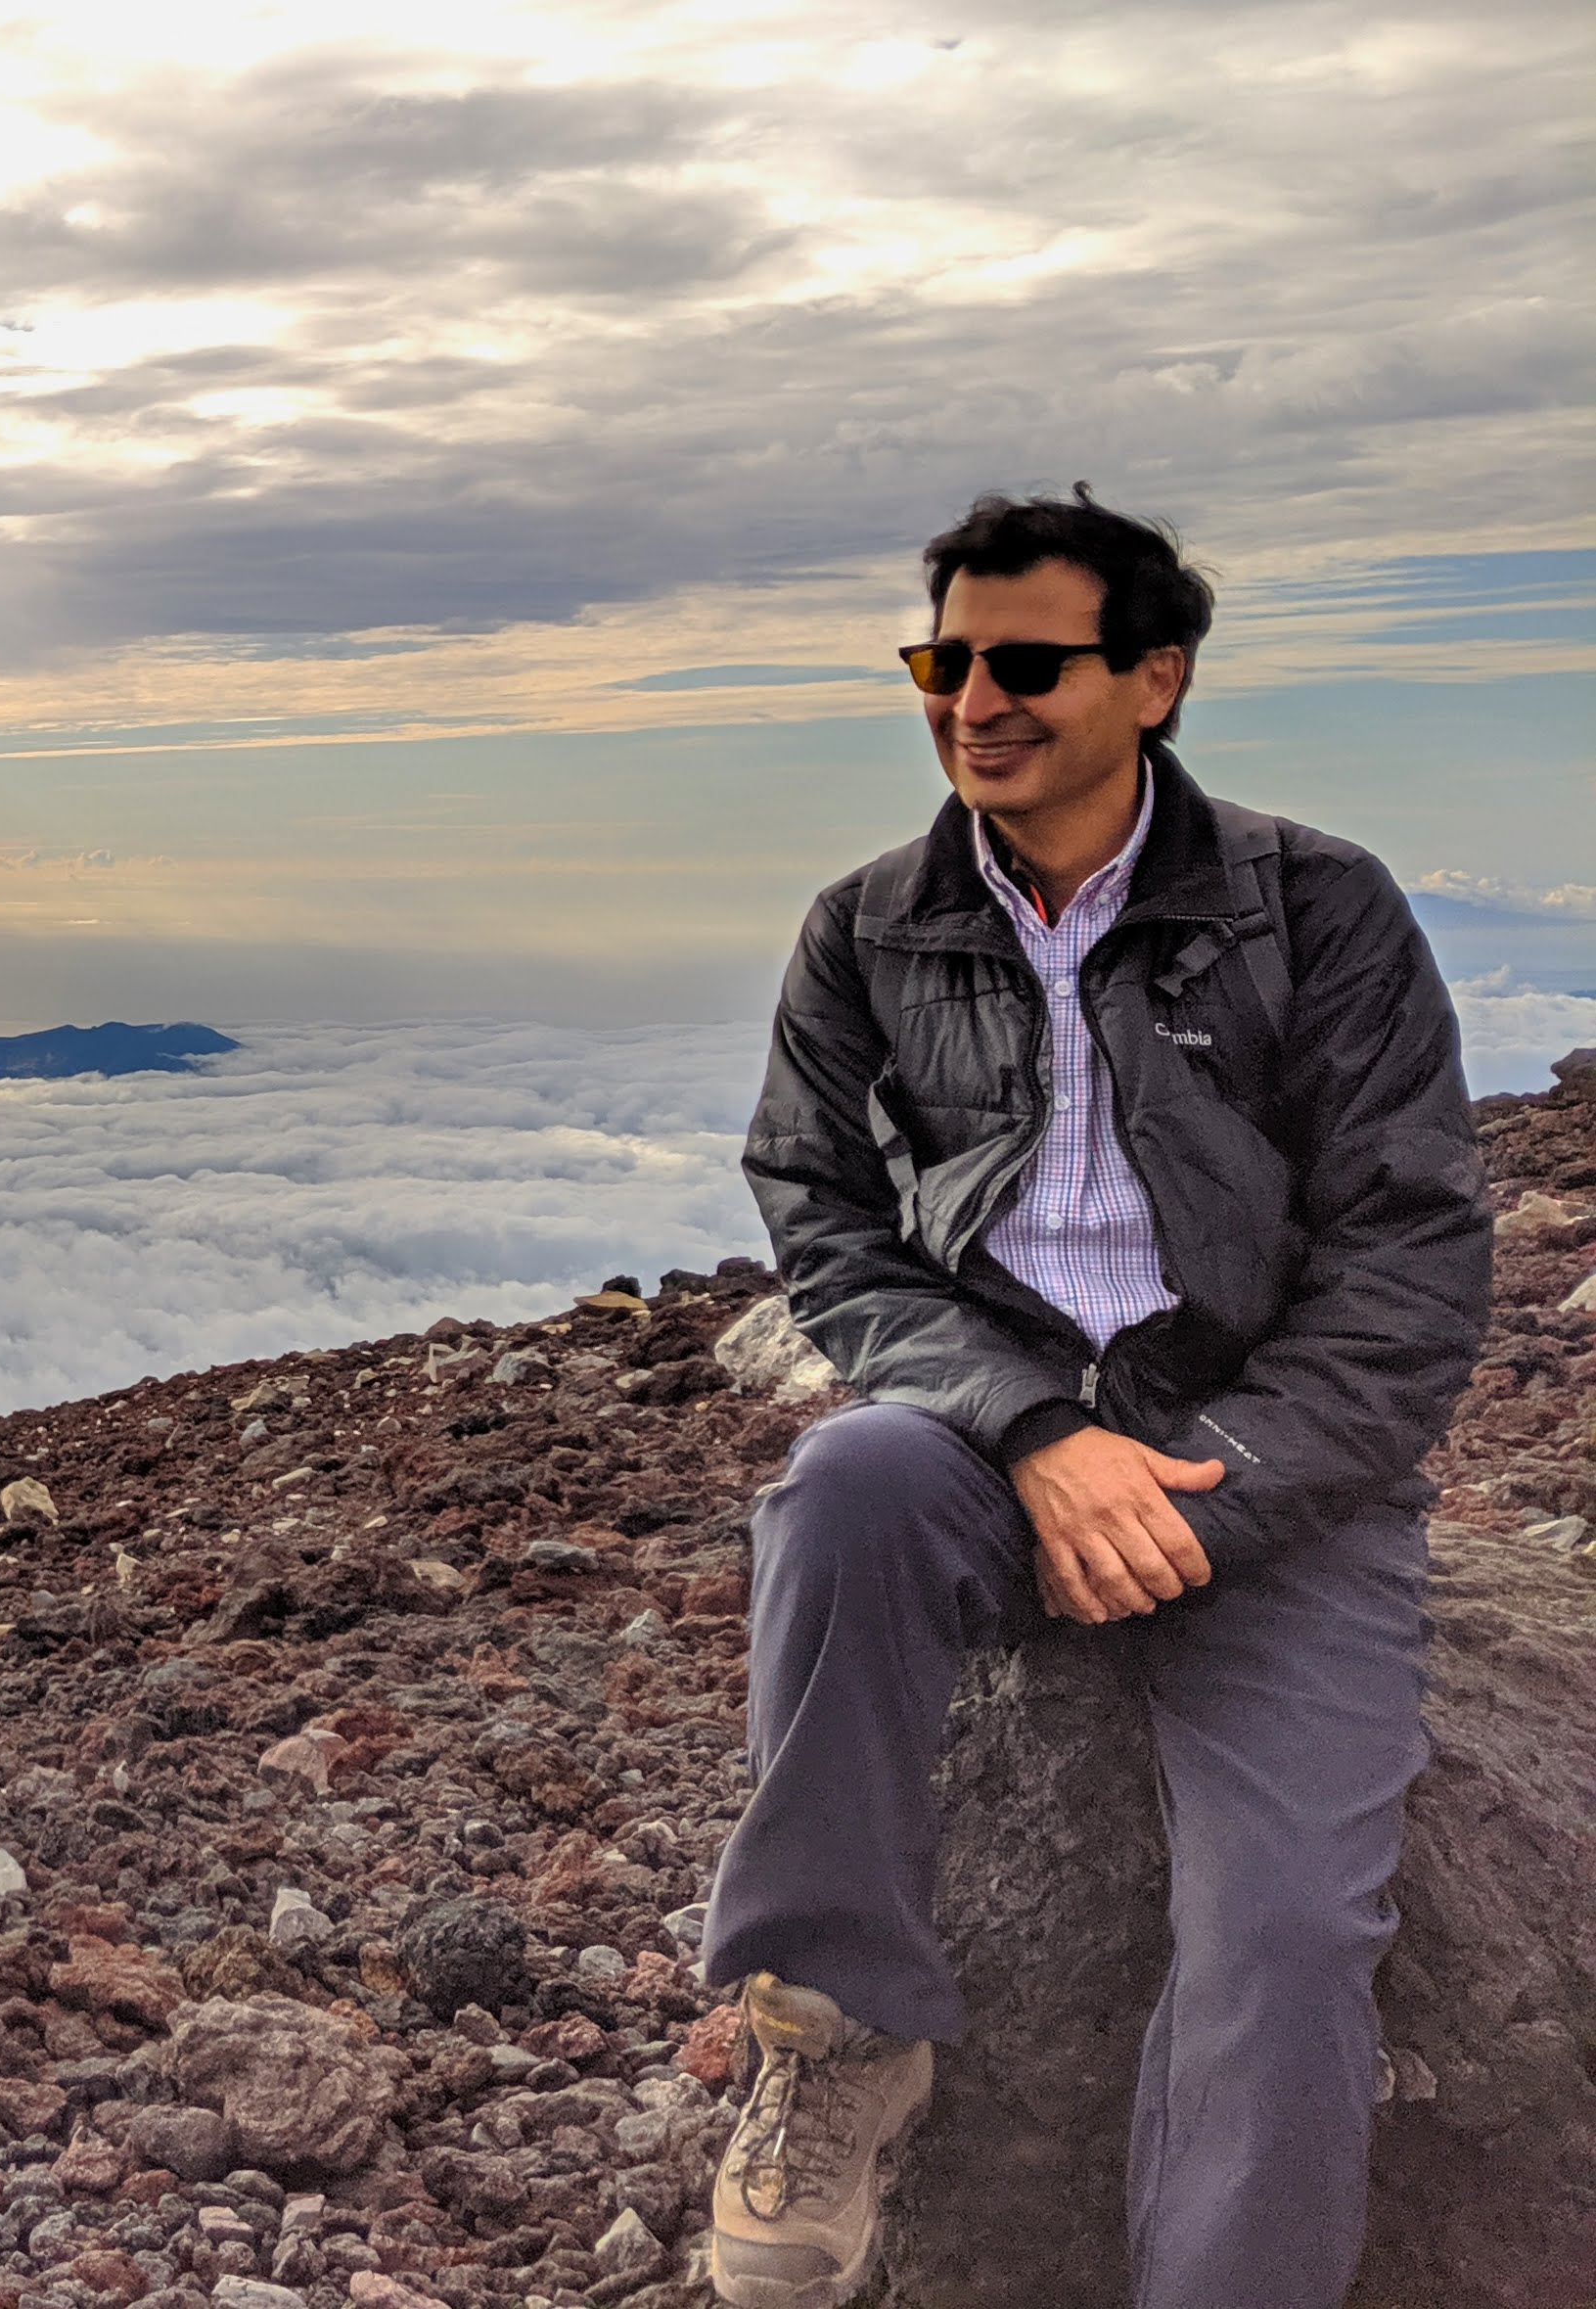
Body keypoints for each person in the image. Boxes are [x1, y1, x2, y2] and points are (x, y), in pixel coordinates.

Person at [696, 488, 1491, 2309]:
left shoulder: (1317, 908)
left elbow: (1411, 1259)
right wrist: (1038, 1438)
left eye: (1025, 662)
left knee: (1286, 1937)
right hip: (997, 1437)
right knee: (843, 1492)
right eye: (942, 659)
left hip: (1265, 1461)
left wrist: (1201, 1480)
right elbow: (819, 1215)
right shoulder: (871, 926)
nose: (973, 698)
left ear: (1154, 680)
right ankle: (832, 2037)